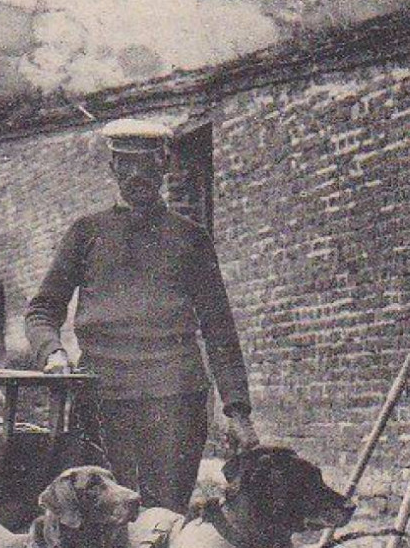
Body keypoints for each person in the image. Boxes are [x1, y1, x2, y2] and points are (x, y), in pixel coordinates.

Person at [26, 119, 260, 512]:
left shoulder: (190, 237)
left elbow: (219, 328)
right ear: (112, 168)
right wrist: (52, 352)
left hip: (175, 401)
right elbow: (42, 310)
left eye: (148, 164)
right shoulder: (86, 232)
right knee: (105, 519)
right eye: (126, 164)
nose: (137, 175)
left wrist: (238, 412)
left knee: (164, 516)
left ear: (164, 166)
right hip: (101, 398)